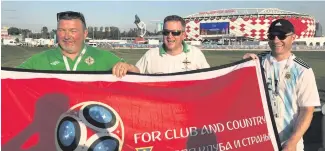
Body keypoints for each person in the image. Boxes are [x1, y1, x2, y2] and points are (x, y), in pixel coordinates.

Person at [243, 19, 321, 151]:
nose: (276, 40)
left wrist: (292, 142)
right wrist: (241, 66)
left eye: (282, 35)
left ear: (293, 38)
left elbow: (307, 110)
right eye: (272, 36)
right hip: (257, 141)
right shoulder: (255, 63)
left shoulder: (302, 70)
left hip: (288, 143)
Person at [17, 11, 138, 77]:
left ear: (85, 33)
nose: (66, 36)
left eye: (73, 31)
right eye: (62, 30)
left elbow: (138, 77)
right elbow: (10, 80)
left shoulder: (102, 57)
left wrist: (129, 68)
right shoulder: (40, 60)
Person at [135, 15, 210, 74]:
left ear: (183, 35)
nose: (170, 36)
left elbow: (209, 78)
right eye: (166, 32)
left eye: (175, 33)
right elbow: (136, 71)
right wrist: (128, 67)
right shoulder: (151, 55)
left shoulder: (196, 54)